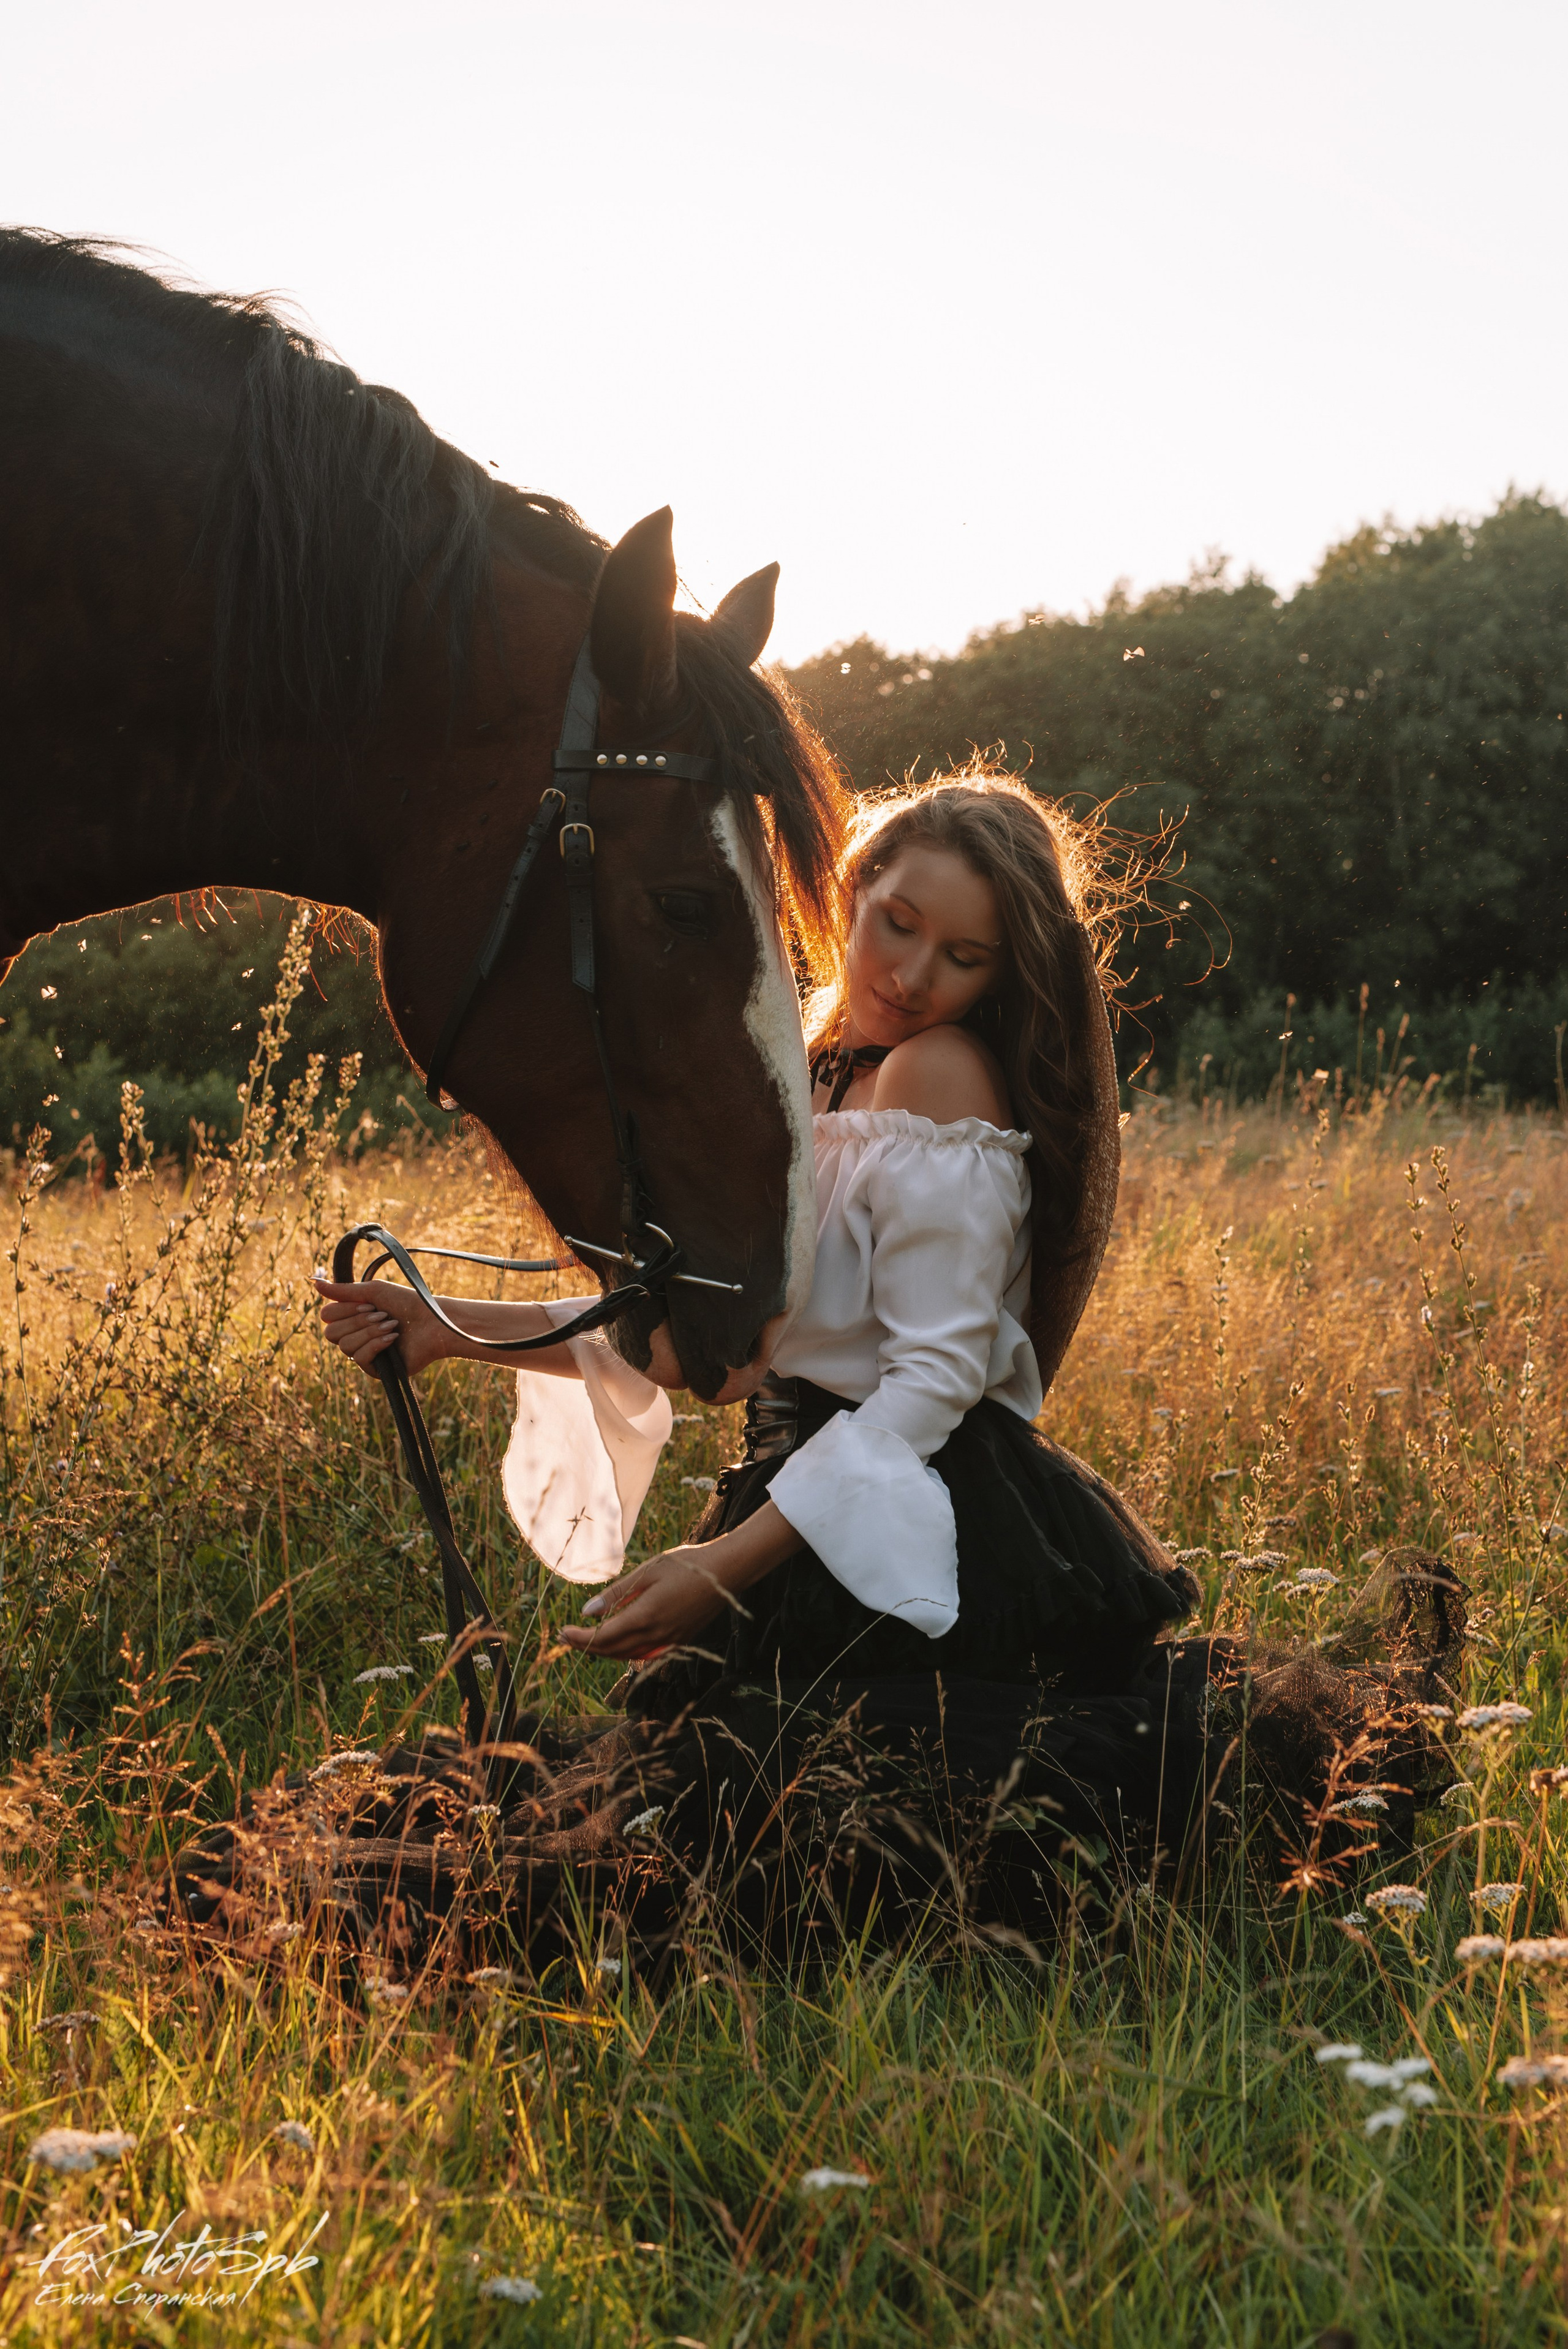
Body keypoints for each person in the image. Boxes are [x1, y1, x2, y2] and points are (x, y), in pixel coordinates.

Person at [310, 772, 1460, 1956]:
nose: (912, 976)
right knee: (700, 1810)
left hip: (925, 1505)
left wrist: (724, 1567)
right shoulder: (806, 1064)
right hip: (798, 1498)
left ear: (999, 977)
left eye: (962, 957)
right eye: (898, 924)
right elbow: (709, 1339)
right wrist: (444, 1325)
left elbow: (932, 1383)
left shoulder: (935, 1076)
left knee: (786, 1826)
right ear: (851, 890)